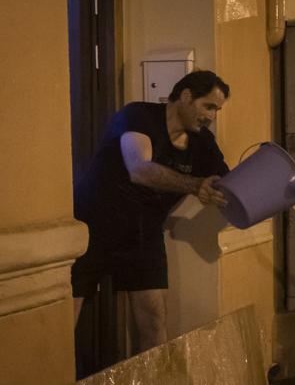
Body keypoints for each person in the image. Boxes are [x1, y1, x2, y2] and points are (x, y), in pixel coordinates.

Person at [72, 70, 231, 353]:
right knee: (65, 315)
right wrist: (196, 185)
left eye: (216, 110)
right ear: (185, 96)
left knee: (153, 317)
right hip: (93, 227)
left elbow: (229, 184)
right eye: (208, 106)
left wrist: (266, 187)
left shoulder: (202, 142)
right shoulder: (138, 116)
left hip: (143, 233)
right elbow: (139, 169)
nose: (212, 116)